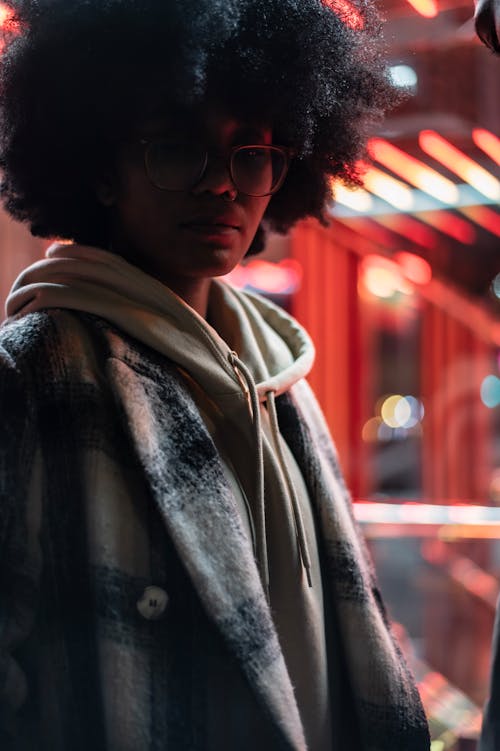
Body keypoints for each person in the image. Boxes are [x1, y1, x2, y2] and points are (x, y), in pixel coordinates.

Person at [0, 1, 430, 749]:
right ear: (101, 167)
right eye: (177, 148)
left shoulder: (282, 376)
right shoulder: (34, 371)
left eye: (255, 153)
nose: (224, 186)